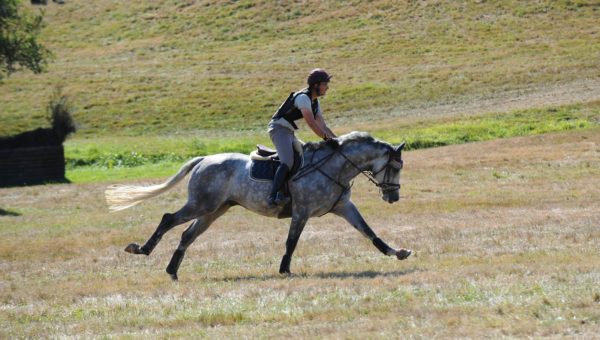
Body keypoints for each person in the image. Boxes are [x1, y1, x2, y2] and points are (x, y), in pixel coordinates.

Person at [267, 68, 337, 207]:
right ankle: (273, 195)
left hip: (289, 132)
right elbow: (312, 124)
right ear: (316, 85)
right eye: (325, 84)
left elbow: (323, 126)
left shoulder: (315, 102)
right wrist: (327, 140)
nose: (327, 87)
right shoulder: (303, 98)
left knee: (305, 156)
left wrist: (338, 141)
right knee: (287, 161)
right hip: (278, 129)